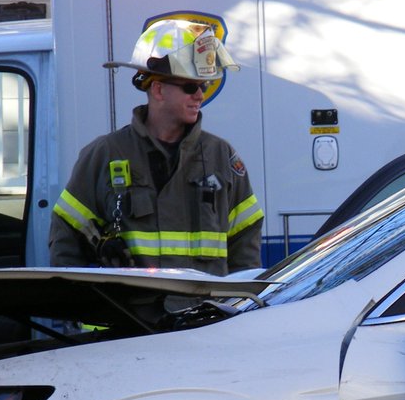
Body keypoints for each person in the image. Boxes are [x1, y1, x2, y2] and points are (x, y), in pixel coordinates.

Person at [49, 19, 263, 274]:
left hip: (209, 313)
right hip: (129, 313)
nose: (200, 95)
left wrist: (240, 310)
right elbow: (66, 243)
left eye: (203, 86)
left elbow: (245, 251)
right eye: (191, 86)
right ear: (158, 90)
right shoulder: (104, 155)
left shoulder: (221, 157)